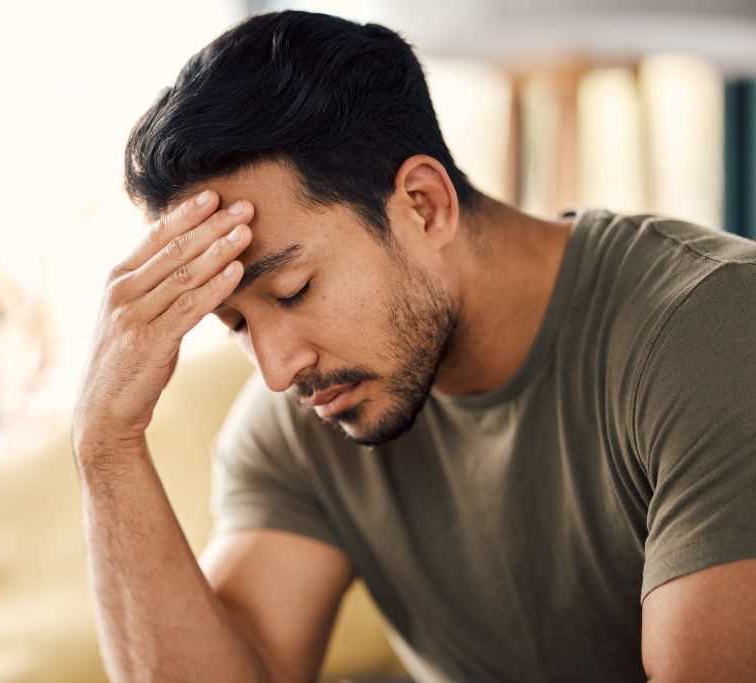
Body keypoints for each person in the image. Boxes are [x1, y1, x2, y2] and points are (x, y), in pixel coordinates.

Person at [72, 10, 756, 683]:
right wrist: (105, 443)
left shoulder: (714, 330)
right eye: (236, 324)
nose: (279, 371)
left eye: (291, 290)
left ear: (424, 204)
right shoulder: (301, 427)